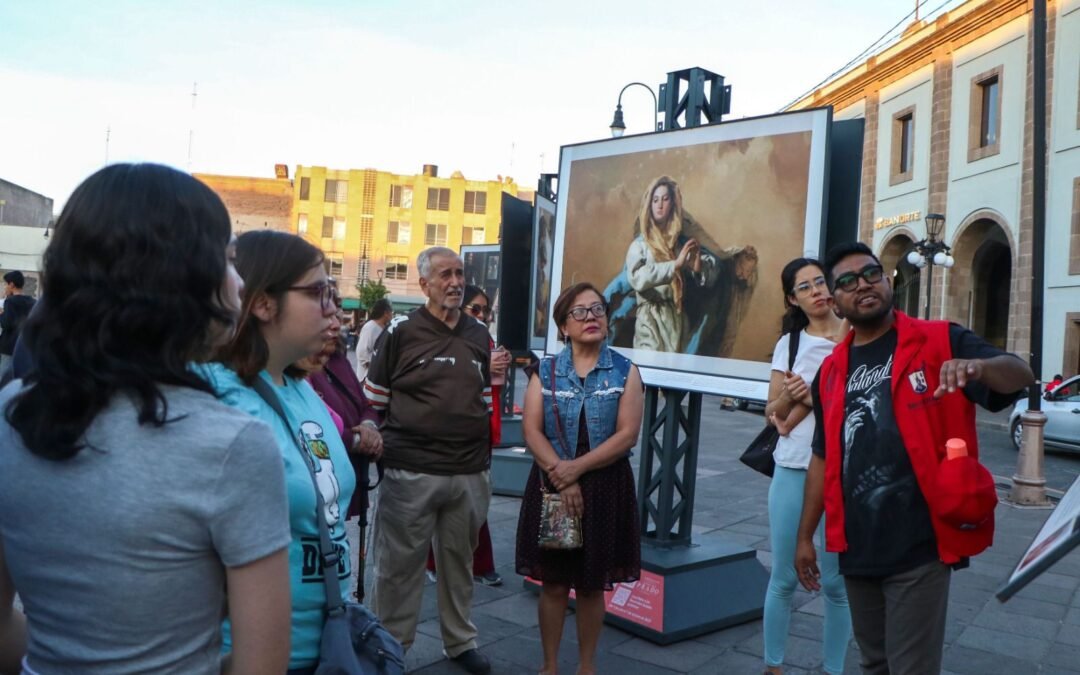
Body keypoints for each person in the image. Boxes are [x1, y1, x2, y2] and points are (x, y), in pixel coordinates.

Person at [0, 163, 292, 674]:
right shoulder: (232, 443)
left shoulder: (11, 412)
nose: (241, 282)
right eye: (229, 260)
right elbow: (261, 666)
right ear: (179, 278)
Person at [795, 242, 1034, 675]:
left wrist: (979, 368)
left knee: (911, 668)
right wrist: (804, 537)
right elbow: (823, 457)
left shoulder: (942, 340)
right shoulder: (830, 372)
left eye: (870, 273)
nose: (862, 285)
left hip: (919, 544)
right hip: (857, 544)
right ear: (836, 301)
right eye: (846, 281)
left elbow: (1020, 374)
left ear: (887, 281)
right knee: (874, 663)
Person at [201, 230, 377, 674]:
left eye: (332, 292)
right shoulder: (214, 395)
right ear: (263, 303)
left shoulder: (299, 386)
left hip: (329, 643)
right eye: (319, 292)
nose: (334, 308)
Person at [365, 247, 494, 674]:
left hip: (469, 471)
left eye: (459, 274)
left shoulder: (479, 333)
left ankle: (460, 641)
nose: (455, 282)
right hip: (410, 470)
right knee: (398, 567)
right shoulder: (400, 332)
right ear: (424, 284)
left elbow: (485, 399)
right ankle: (390, 647)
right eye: (444, 275)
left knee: (459, 564)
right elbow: (374, 399)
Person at [515, 282, 644, 675]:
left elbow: (627, 435)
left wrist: (578, 468)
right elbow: (532, 431)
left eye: (598, 309)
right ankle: (550, 665)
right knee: (554, 583)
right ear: (563, 326)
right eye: (580, 312)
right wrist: (565, 476)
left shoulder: (625, 370)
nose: (591, 317)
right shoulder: (546, 371)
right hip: (553, 485)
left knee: (591, 585)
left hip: (604, 487)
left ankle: (587, 666)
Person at [761, 258, 850, 675]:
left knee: (837, 584)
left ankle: (834, 669)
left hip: (844, 471)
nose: (817, 291)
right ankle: (773, 667)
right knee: (782, 578)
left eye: (820, 282)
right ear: (792, 299)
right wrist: (792, 394)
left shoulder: (856, 334)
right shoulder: (791, 343)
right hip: (794, 467)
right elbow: (773, 413)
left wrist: (813, 395)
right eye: (805, 287)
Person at [615, 175, 759, 356]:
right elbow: (637, 277)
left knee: (676, 367)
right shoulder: (640, 246)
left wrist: (697, 268)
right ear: (649, 205)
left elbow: (705, 279)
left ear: (673, 204)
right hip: (650, 320)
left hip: (677, 320)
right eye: (655, 200)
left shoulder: (680, 244)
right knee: (649, 365)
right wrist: (675, 265)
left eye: (665, 199)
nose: (660, 205)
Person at [425, 285, 510, 587]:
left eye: (486, 310)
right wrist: (486, 365)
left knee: (476, 500)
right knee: (438, 497)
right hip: (445, 430)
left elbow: (492, 387)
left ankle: (480, 563)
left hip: (479, 428)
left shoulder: (482, 335)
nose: (482, 315)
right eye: (476, 309)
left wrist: (497, 366)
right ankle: (434, 561)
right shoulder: (440, 335)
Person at [307, 291, 383, 601]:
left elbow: (364, 404)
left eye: (338, 311)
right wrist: (358, 440)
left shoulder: (337, 359)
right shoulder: (298, 369)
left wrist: (369, 428)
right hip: (318, 481)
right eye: (328, 312)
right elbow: (312, 429)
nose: (337, 321)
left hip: (347, 473)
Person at [0, 271, 35, 377]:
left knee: (3, 376)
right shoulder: (32, 301)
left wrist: (1, 314)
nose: (5, 287)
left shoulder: (10, 302)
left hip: (8, 347)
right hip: (24, 344)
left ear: (11, 285)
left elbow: (6, 324)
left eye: (5, 284)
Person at [355, 298, 392, 382]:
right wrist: (374, 367)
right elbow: (361, 352)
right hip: (367, 377)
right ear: (386, 313)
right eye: (391, 312)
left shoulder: (385, 328)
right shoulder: (370, 327)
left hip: (379, 377)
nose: (392, 314)